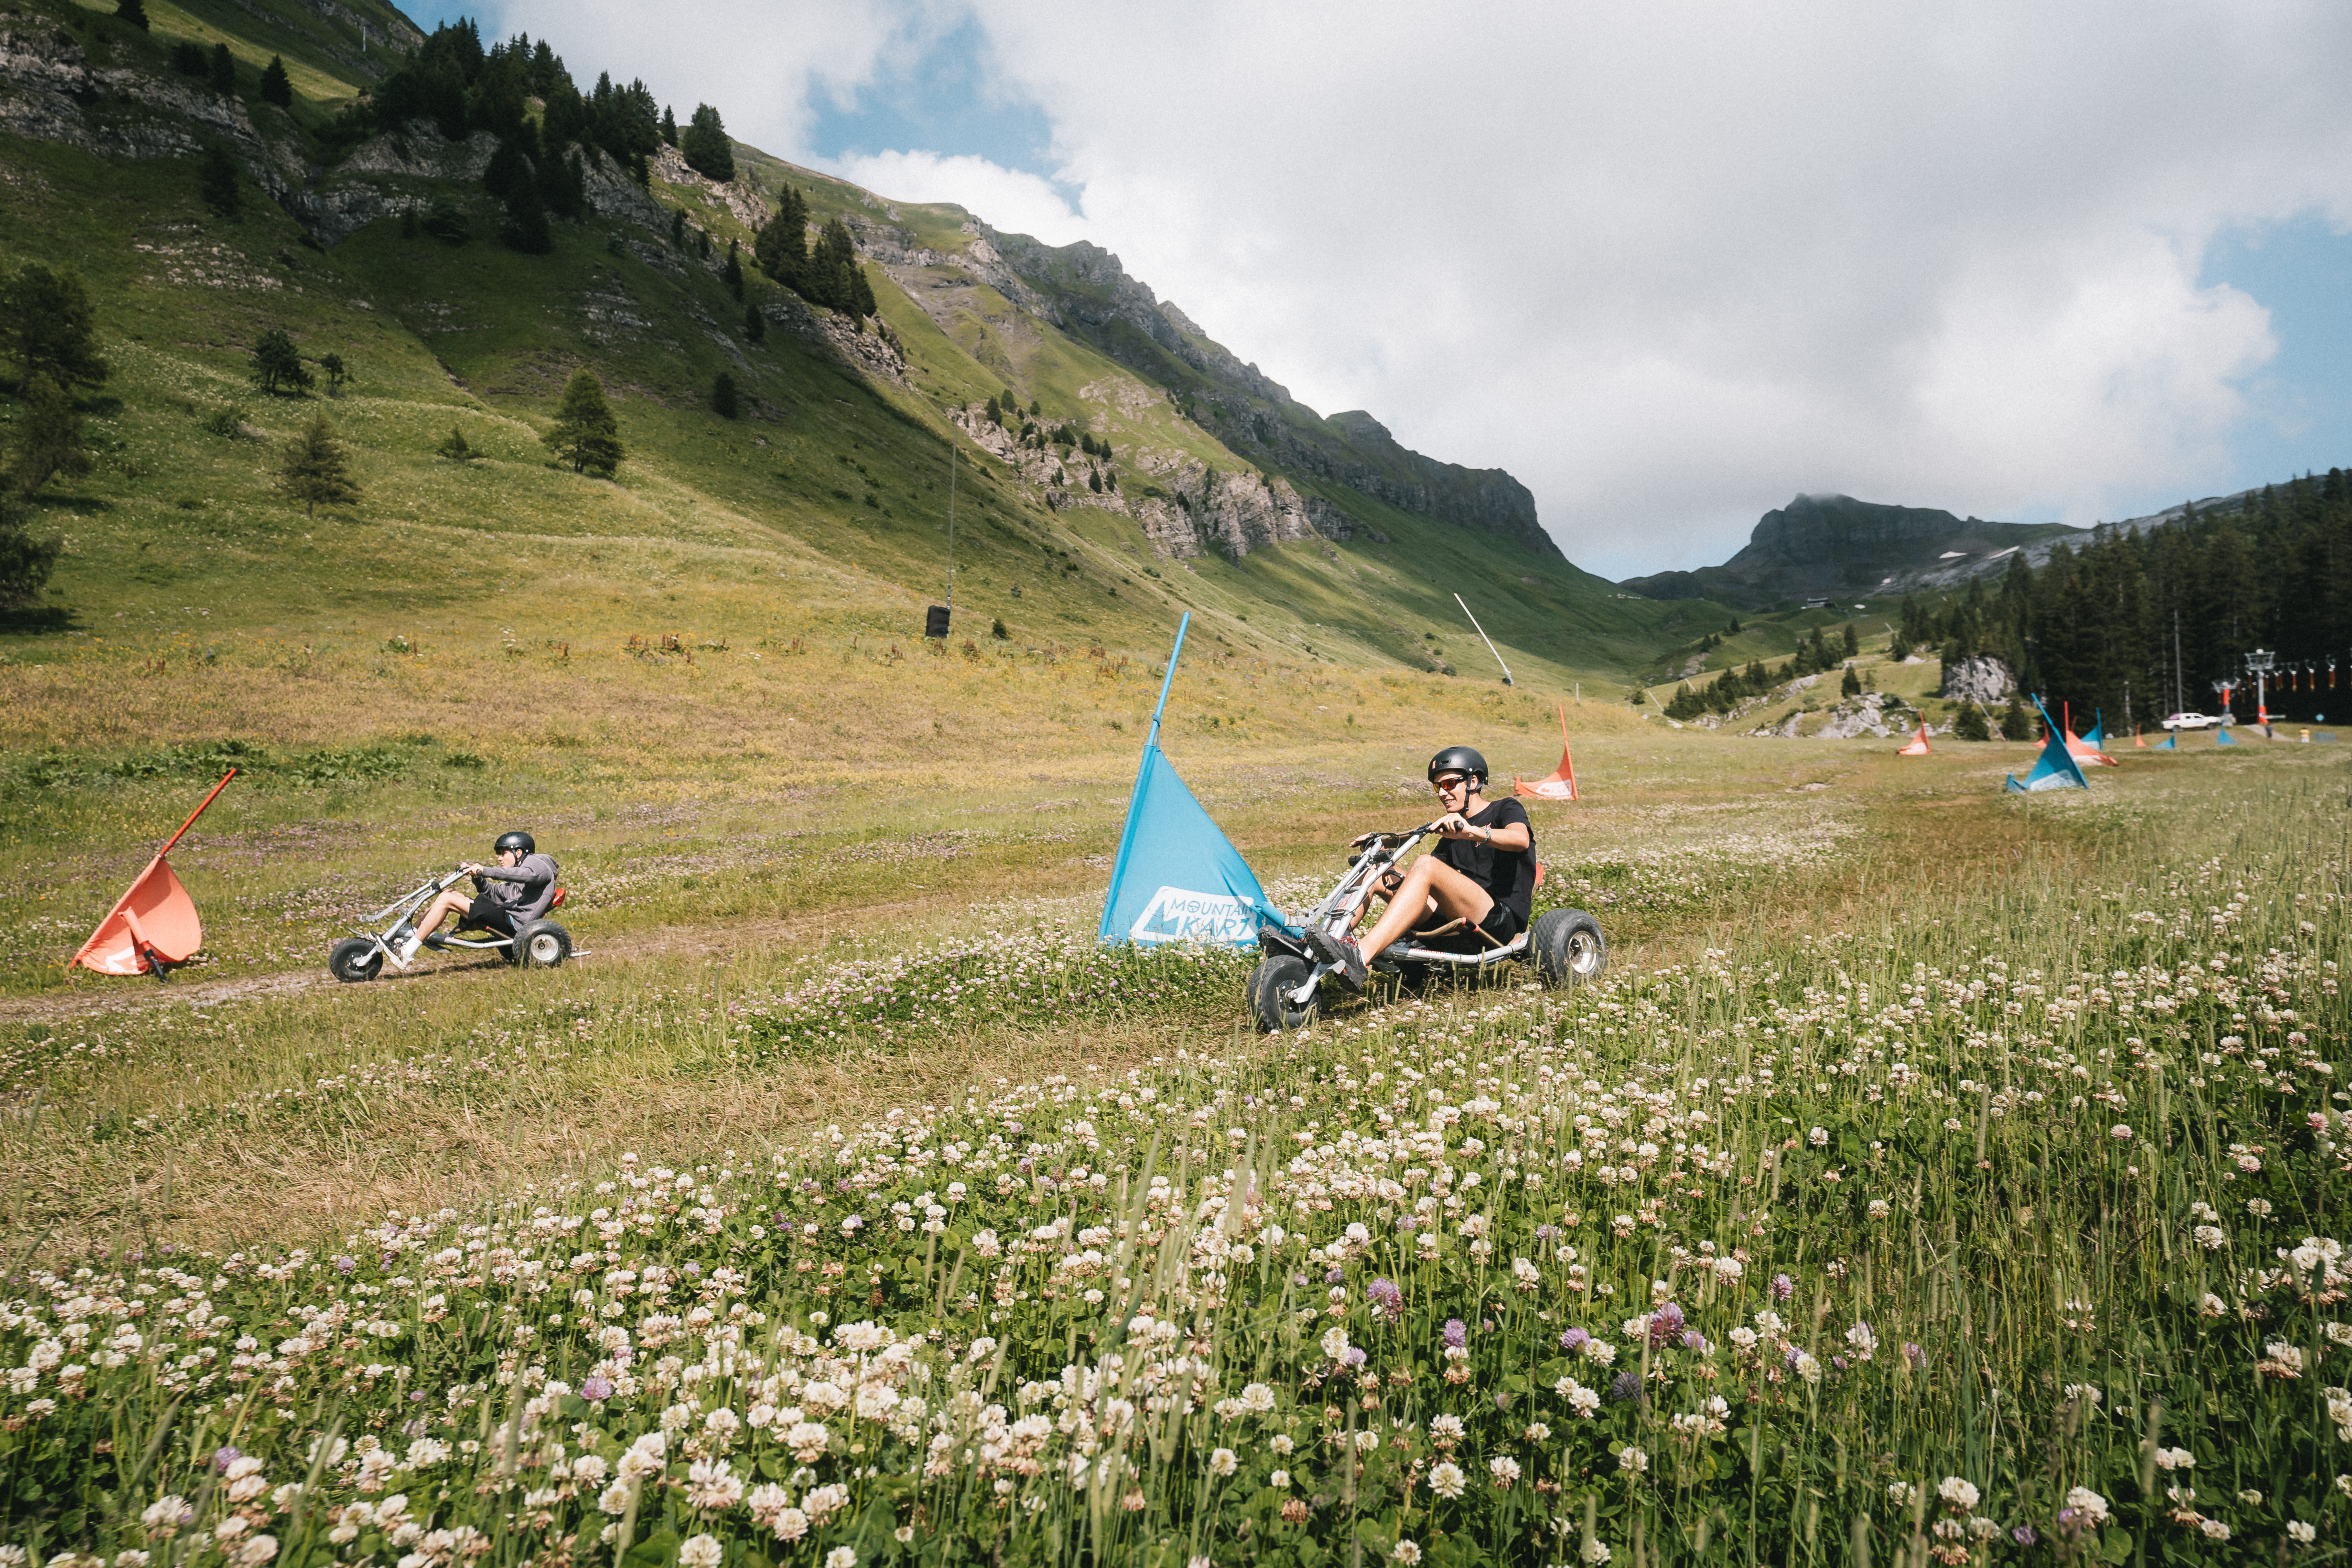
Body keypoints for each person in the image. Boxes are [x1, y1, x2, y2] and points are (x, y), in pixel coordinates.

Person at [1305, 746, 1534, 989]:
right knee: (1379, 873)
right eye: (1438, 787)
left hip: (1499, 922)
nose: (1442, 794)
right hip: (1459, 922)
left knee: (1426, 864)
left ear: (1473, 782)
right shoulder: (1451, 835)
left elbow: (1521, 840)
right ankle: (1318, 945)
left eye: (1448, 785)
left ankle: (1361, 955)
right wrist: (1378, 852)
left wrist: (1472, 832)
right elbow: (1423, 883)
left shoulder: (1504, 808)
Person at [395, 830, 559, 961]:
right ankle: (408, 938)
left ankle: (407, 953)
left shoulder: (537, 864)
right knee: (449, 894)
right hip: (507, 917)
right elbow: (494, 893)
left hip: (516, 925)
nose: (499, 858)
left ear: (518, 852)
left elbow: (527, 875)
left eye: (503, 853)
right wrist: (478, 877)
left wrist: (485, 870)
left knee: (448, 900)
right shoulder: (519, 880)